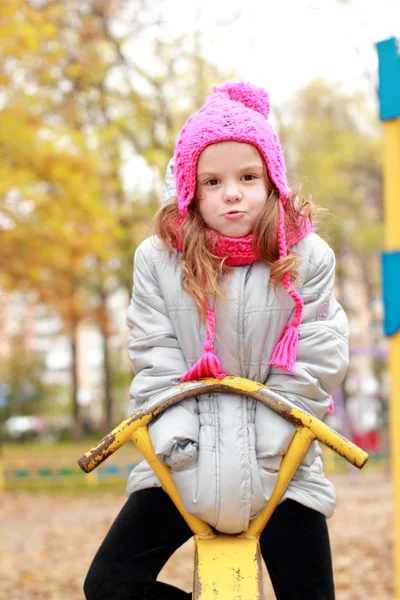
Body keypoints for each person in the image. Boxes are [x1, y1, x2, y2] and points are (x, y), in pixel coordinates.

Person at [84, 81, 349, 600]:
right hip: (184, 459)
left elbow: (315, 359)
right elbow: (154, 358)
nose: (232, 192)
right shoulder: (159, 261)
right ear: (190, 189)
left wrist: (271, 453)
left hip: (282, 463)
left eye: (248, 176)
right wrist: (178, 448)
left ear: (272, 181)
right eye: (213, 180)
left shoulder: (307, 256)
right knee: (111, 585)